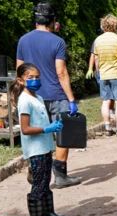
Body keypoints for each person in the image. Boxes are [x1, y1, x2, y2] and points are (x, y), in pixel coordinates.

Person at [16, 2, 81, 188]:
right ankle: (60, 176)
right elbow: (61, 72)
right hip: (56, 95)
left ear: (36, 21)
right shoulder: (57, 42)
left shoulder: (23, 40)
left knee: (38, 133)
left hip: (33, 96)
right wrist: (71, 99)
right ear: (53, 21)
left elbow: (19, 70)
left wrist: (21, 94)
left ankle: (35, 167)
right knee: (63, 134)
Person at [9, 63, 70, 216]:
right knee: (38, 184)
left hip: (45, 147)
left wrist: (53, 126)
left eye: (37, 77)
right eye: (31, 78)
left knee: (45, 181)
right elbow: (25, 129)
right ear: (21, 80)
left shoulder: (38, 98)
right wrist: (46, 129)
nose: (35, 80)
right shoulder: (24, 101)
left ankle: (48, 213)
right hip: (35, 149)